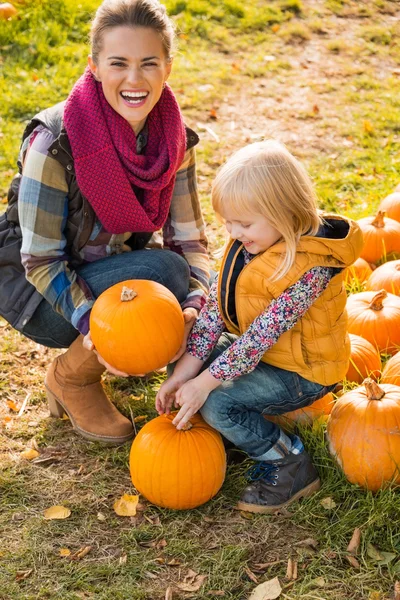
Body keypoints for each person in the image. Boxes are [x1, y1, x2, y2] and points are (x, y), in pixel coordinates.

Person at [0, 0, 209, 445]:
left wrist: (194, 306)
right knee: (164, 272)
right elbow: (39, 261)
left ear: (167, 68)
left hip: (111, 270)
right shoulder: (54, 143)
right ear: (94, 66)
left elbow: (191, 243)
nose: (134, 80)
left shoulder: (174, 140)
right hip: (38, 295)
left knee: (180, 274)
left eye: (148, 63)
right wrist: (96, 324)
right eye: (119, 63)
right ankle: (72, 379)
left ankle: (154, 358)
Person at [156, 140, 363, 514]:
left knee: (218, 402)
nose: (234, 232)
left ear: (285, 214)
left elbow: (256, 340)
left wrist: (204, 384)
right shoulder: (248, 245)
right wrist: (183, 374)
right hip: (266, 357)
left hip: (304, 371)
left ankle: (290, 463)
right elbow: (214, 315)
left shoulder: (310, 268)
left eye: (244, 223)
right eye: (228, 222)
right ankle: (237, 430)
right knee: (189, 373)